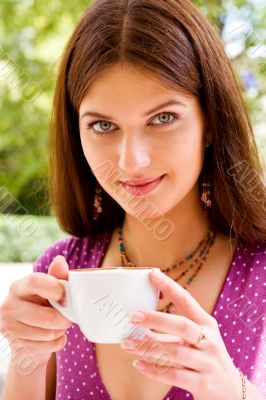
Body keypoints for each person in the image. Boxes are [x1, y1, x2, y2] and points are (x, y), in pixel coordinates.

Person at [0, 0, 265, 399]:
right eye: (103, 125)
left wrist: (234, 392)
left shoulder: (259, 276)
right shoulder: (61, 278)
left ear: (210, 122)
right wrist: (27, 354)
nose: (131, 161)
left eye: (162, 118)